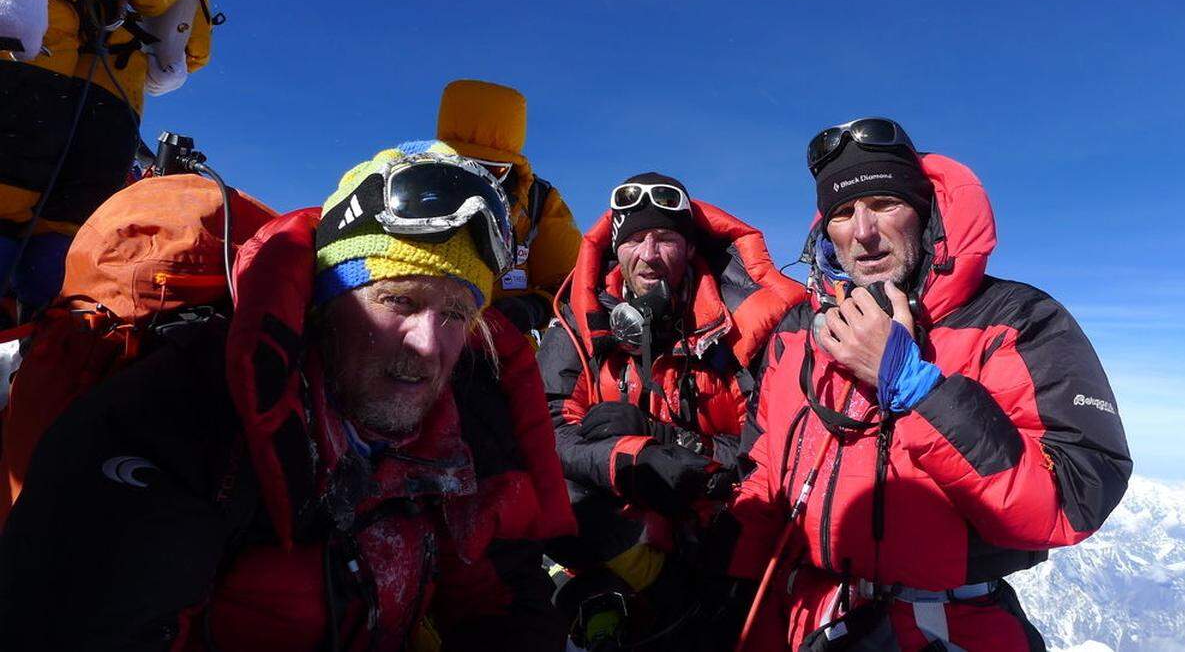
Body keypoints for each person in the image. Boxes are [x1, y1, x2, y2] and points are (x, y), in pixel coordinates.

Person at [0, 142, 575, 651]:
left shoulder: (456, 428)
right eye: (398, 301)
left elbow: (495, 596)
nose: (428, 346)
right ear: (329, 300)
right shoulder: (183, 416)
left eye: (454, 314)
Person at [716, 118, 1132, 651]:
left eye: (885, 204)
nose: (863, 231)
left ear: (926, 215)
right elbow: (765, 471)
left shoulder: (1014, 320)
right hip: (802, 617)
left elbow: (1072, 497)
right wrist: (734, 578)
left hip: (949, 626)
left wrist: (919, 390)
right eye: (842, 213)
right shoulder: (797, 335)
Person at [538, 172, 805, 649]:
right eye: (636, 239)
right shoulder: (579, 322)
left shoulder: (749, 319)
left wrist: (667, 441)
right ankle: (629, 601)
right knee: (551, 495)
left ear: (688, 247)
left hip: (728, 515)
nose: (648, 254)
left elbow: (774, 443)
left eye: (664, 238)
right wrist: (630, 459)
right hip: (633, 519)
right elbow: (550, 429)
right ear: (616, 249)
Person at [0, 0, 213, 314]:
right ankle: (43, 331)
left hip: (93, 59)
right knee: (29, 194)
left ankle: (44, 337)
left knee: (61, 209)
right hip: (54, 31)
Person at [436, 78, 581, 338]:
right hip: (426, 341)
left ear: (511, 167)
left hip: (508, 353)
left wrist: (533, 308)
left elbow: (570, 283)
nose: (480, 178)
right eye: (464, 165)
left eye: (494, 170)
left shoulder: (538, 202)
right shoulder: (409, 191)